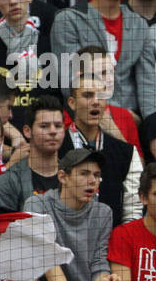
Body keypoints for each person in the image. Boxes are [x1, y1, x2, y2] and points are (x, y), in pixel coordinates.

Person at [50, 0, 153, 115]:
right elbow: (72, 82)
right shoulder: (68, 20)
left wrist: (152, 125)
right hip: (87, 117)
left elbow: (148, 84)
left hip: (132, 120)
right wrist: (117, 116)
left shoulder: (139, 25)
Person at [23, 148, 125, 281]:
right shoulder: (37, 204)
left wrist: (106, 280)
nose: (92, 180)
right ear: (63, 177)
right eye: (84, 173)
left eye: (97, 175)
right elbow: (45, 255)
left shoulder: (103, 212)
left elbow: (99, 262)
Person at [61, 78, 142, 225]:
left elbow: (133, 210)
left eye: (101, 96)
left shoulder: (127, 152)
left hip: (112, 241)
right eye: (87, 95)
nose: (96, 101)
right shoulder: (57, 147)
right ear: (72, 103)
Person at [0, 95, 66, 212]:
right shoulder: (8, 181)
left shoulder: (73, 176)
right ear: (27, 131)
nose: (53, 131)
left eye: (58, 126)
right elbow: (3, 228)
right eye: (44, 126)